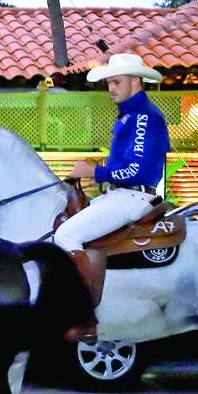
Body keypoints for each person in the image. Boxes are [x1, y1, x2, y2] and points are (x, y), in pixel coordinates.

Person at [57, 53, 171, 336]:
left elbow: (136, 168)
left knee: (66, 235)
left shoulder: (143, 117)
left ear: (135, 81)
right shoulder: (130, 115)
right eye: (109, 83)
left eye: (116, 82)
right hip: (121, 194)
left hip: (133, 196)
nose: (111, 89)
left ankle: (82, 314)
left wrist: (94, 172)